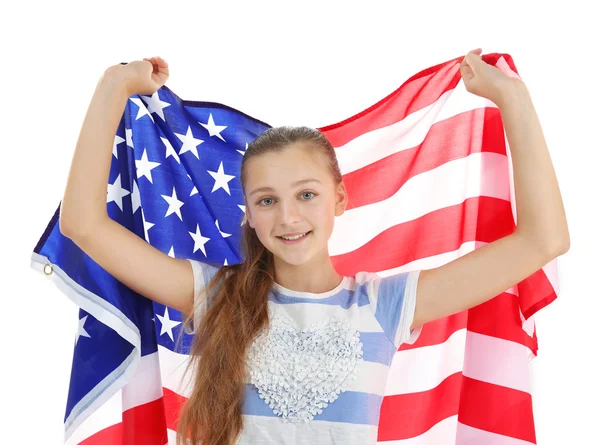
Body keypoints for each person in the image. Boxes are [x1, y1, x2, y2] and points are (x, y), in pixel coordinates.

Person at [59, 50, 570, 445]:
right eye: (266, 200)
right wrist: (113, 87)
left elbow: (543, 241)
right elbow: (83, 225)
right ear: (249, 214)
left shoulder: (384, 305)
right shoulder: (213, 294)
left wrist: (514, 99)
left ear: (340, 199)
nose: (288, 217)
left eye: (307, 194)